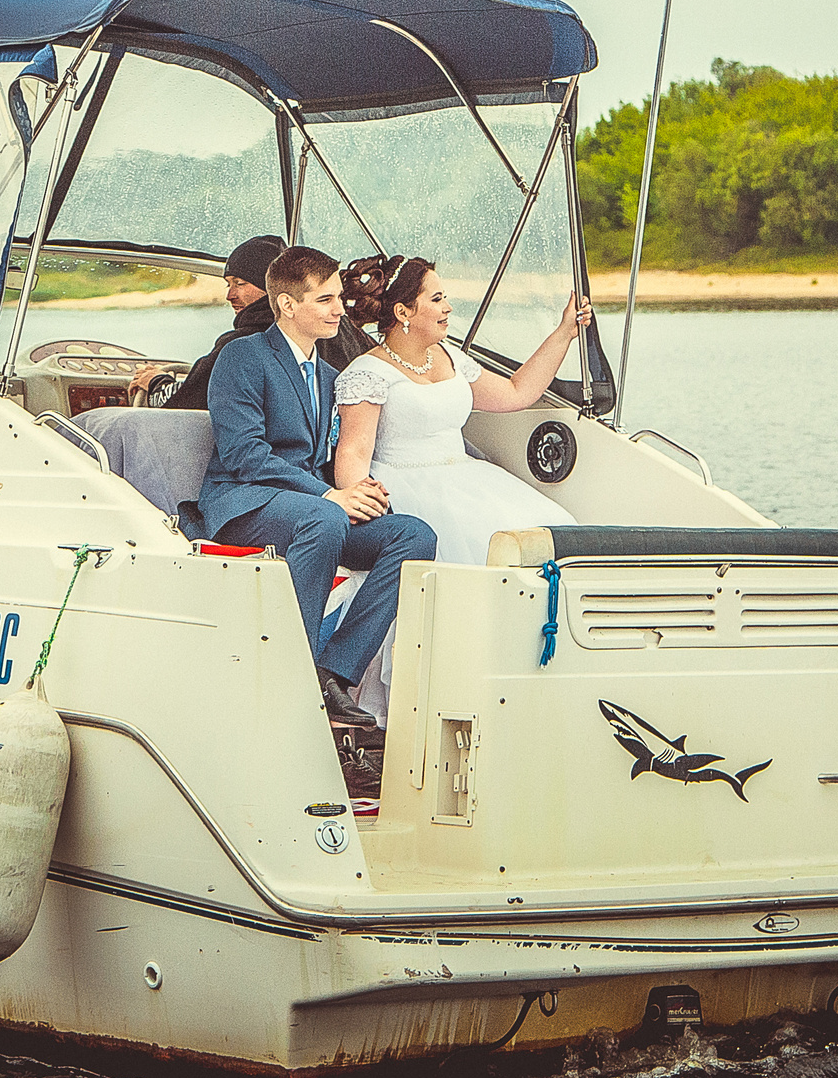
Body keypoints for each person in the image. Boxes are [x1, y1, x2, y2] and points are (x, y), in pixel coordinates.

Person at [190, 246, 436, 730]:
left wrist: (362, 492)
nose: (340, 310)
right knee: (325, 517)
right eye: (325, 300)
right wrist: (328, 496)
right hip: (245, 502)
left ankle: (333, 674)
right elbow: (244, 455)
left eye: (338, 297)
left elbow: (324, 459)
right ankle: (291, 672)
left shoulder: (328, 375)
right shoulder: (243, 357)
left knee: (412, 534)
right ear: (287, 305)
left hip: (309, 509)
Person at [331, 256, 593, 567]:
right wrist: (367, 512)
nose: (448, 308)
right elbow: (352, 453)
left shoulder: (449, 356)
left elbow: (516, 392)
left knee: (551, 528)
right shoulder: (367, 374)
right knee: (486, 545)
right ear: (403, 312)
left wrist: (565, 332)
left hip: (468, 478)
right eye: (437, 299)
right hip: (408, 488)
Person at [154, 234, 372, 411]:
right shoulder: (344, 328)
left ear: (269, 285)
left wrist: (156, 382)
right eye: (229, 284)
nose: (230, 295)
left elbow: (181, 404)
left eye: (240, 283)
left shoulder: (239, 347)